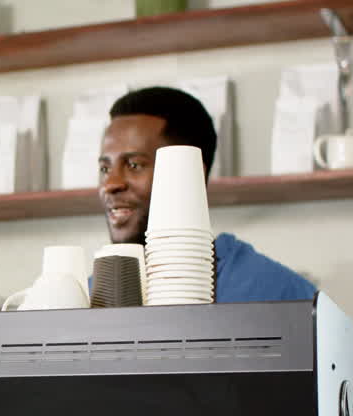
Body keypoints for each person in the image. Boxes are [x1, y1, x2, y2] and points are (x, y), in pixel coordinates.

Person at [98, 86, 316, 303]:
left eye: (134, 165)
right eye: (105, 169)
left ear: (190, 173)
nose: (111, 184)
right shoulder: (92, 297)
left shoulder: (276, 293)